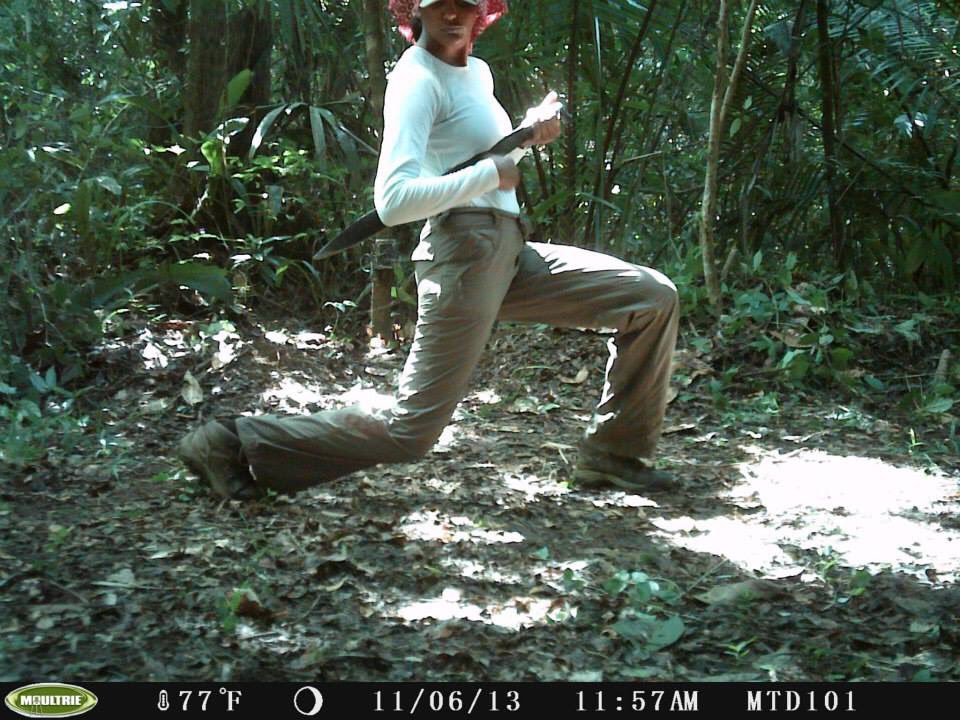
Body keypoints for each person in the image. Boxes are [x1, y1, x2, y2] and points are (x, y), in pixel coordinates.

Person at [178, 0, 680, 500]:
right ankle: (227, 442)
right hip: (463, 254)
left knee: (650, 299)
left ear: (483, 11)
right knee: (410, 431)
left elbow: (479, 161)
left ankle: (613, 456)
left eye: (466, 3)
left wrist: (527, 135)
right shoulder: (415, 79)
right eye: (440, 3)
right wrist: (491, 173)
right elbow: (395, 201)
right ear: (416, 9)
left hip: (507, 248)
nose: (454, 14)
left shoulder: (476, 73)